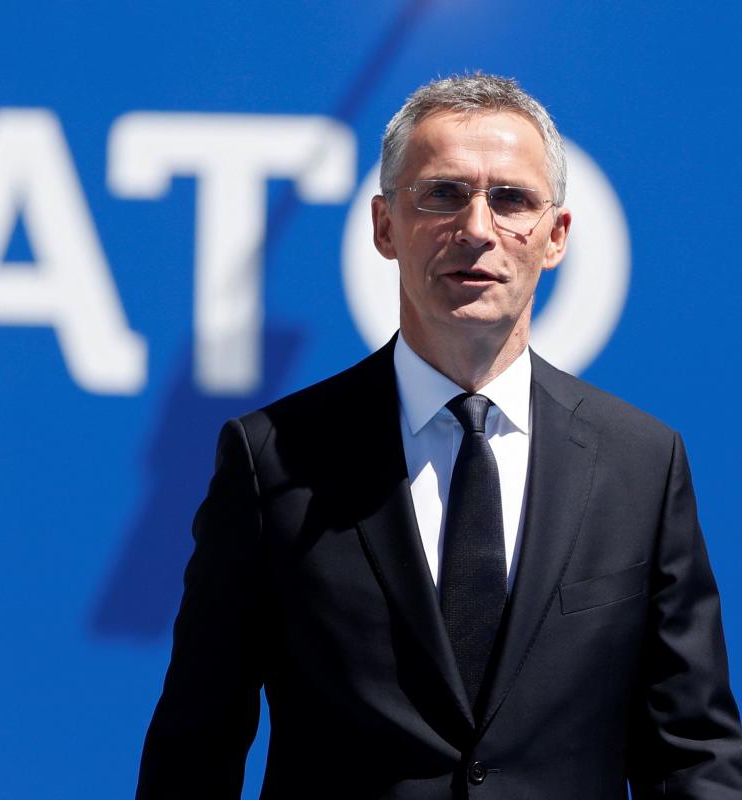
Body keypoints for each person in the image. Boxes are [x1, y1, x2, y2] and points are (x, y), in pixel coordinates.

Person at [136, 74, 742, 799]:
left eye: (511, 199)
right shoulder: (272, 458)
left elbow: (694, 753)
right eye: (444, 194)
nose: (478, 228)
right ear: (384, 226)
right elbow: (195, 748)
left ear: (556, 236)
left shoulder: (641, 463)